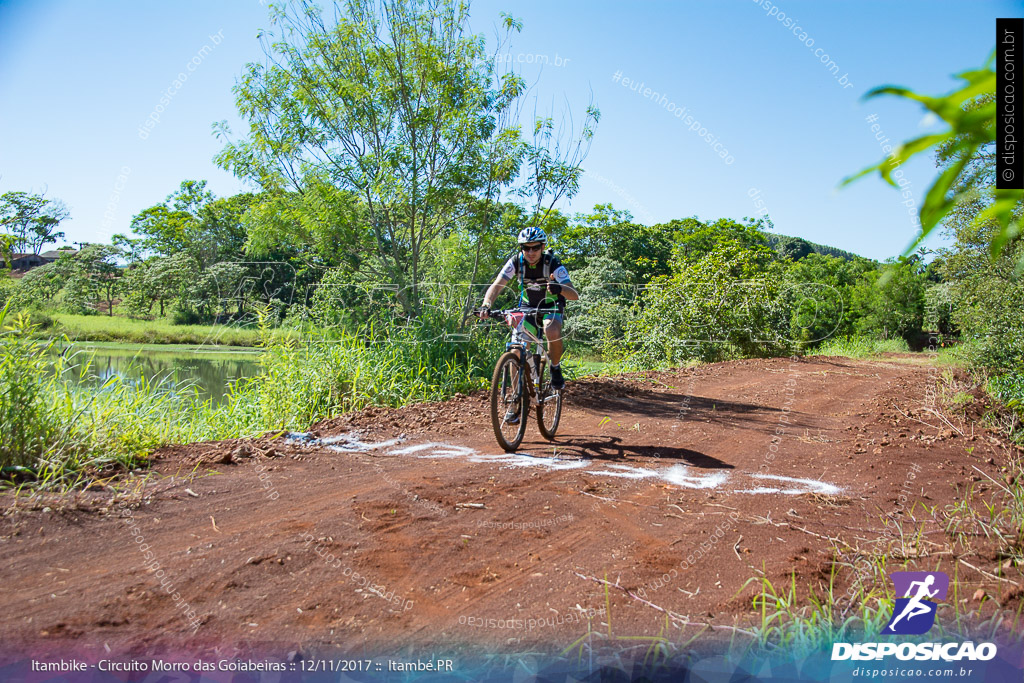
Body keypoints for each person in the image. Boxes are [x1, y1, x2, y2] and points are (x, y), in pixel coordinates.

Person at [478, 227, 578, 395]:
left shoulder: (552, 263)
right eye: (526, 248)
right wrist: (486, 304)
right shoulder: (516, 262)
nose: (531, 252)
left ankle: (555, 367)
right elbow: (497, 286)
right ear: (521, 248)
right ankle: (516, 398)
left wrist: (559, 288)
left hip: (550, 307)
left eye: (535, 247)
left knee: (551, 329)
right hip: (527, 307)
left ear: (543, 247)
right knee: (516, 350)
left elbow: (573, 294)